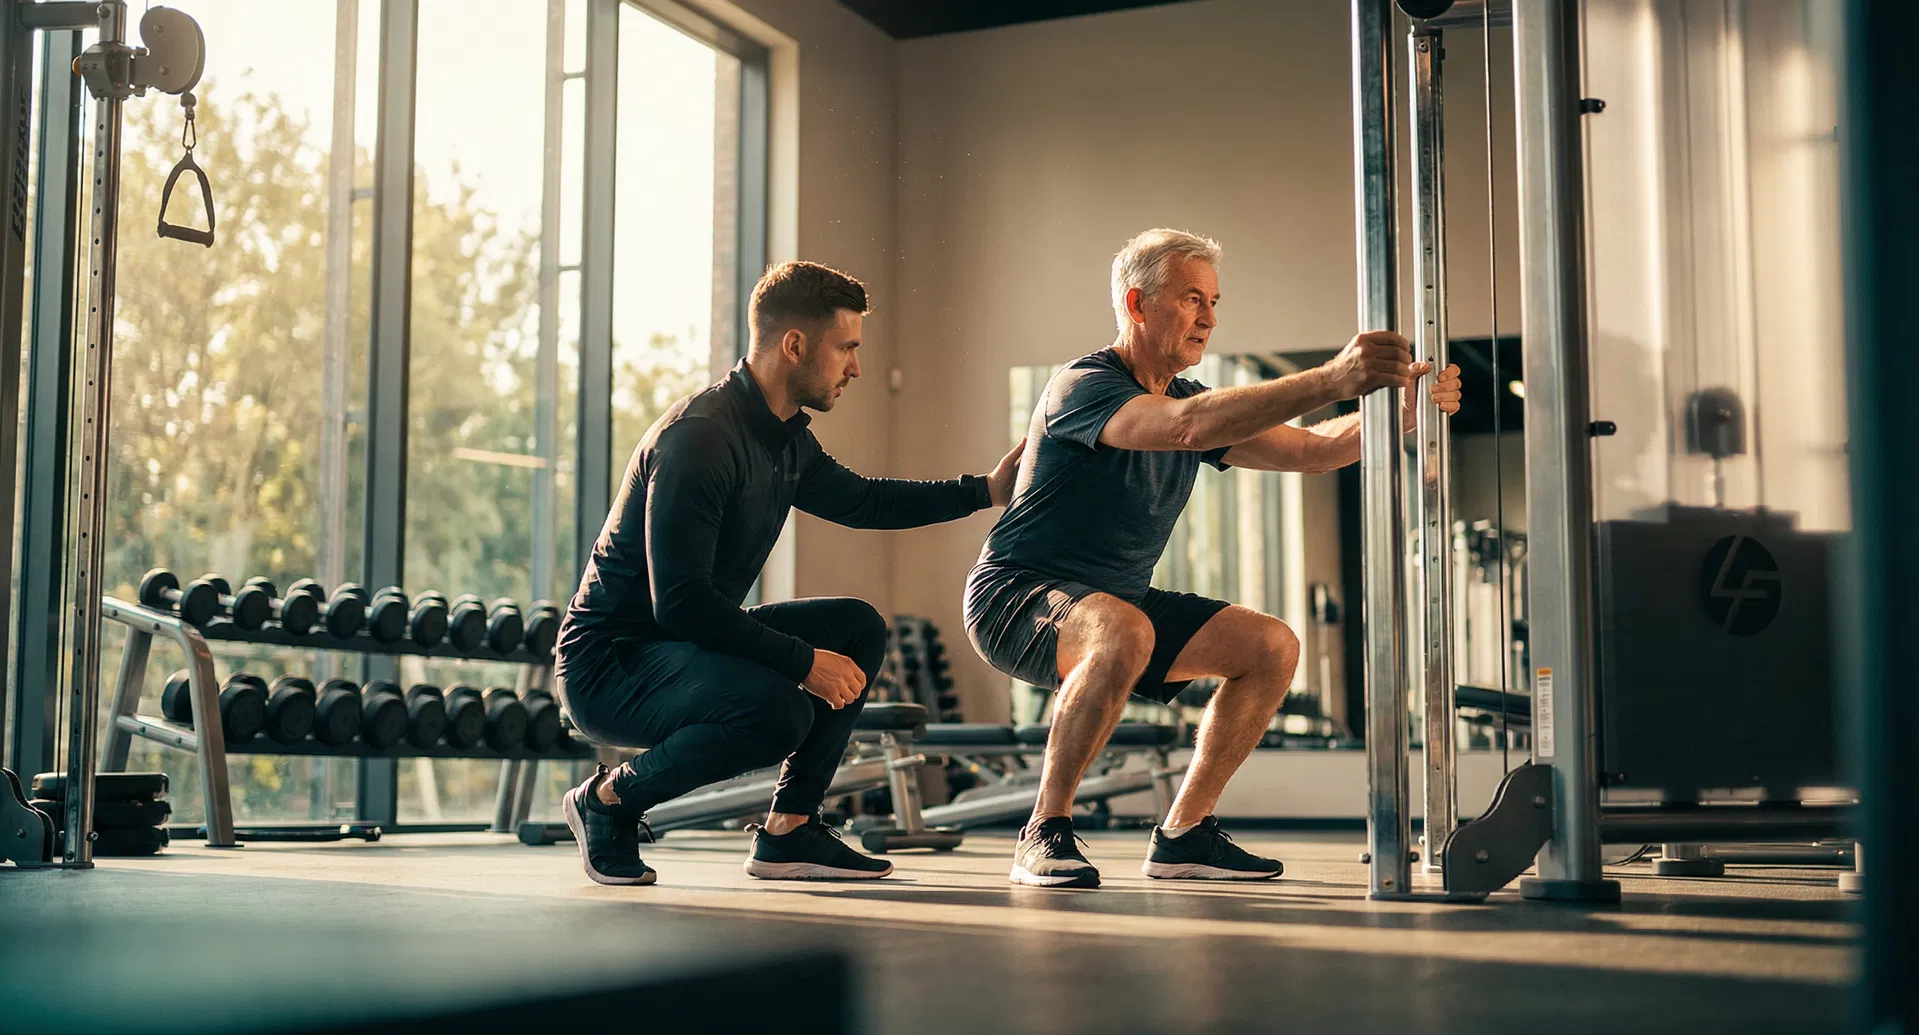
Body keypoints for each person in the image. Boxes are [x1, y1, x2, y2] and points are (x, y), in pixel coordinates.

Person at [965, 228, 1462, 889]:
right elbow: (1188, 428)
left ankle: (1185, 835)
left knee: (1269, 645)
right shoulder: (1083, 387)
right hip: (1014, 597)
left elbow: (1312, 453)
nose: (1209, 317)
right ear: (1138, 305)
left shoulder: (1183, 400)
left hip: (1117, 605)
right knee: (1122, 628)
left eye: (1215, 301)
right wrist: (1333, 377)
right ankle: (1043, 832)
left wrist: (1404, 413)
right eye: (1192, 298)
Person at [555, 261, 1022, 886]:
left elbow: (865, 501)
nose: (855, 367)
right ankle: (607, 802)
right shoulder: (699, 439)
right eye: (847, 348)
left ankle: (790, 831)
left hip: (680, 647)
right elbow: (682, 603)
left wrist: (985, 490)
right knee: (778, 712)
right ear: (794, 345)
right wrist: (803, 662)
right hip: (610, 665)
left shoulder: (783, 439)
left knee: (855, 626)